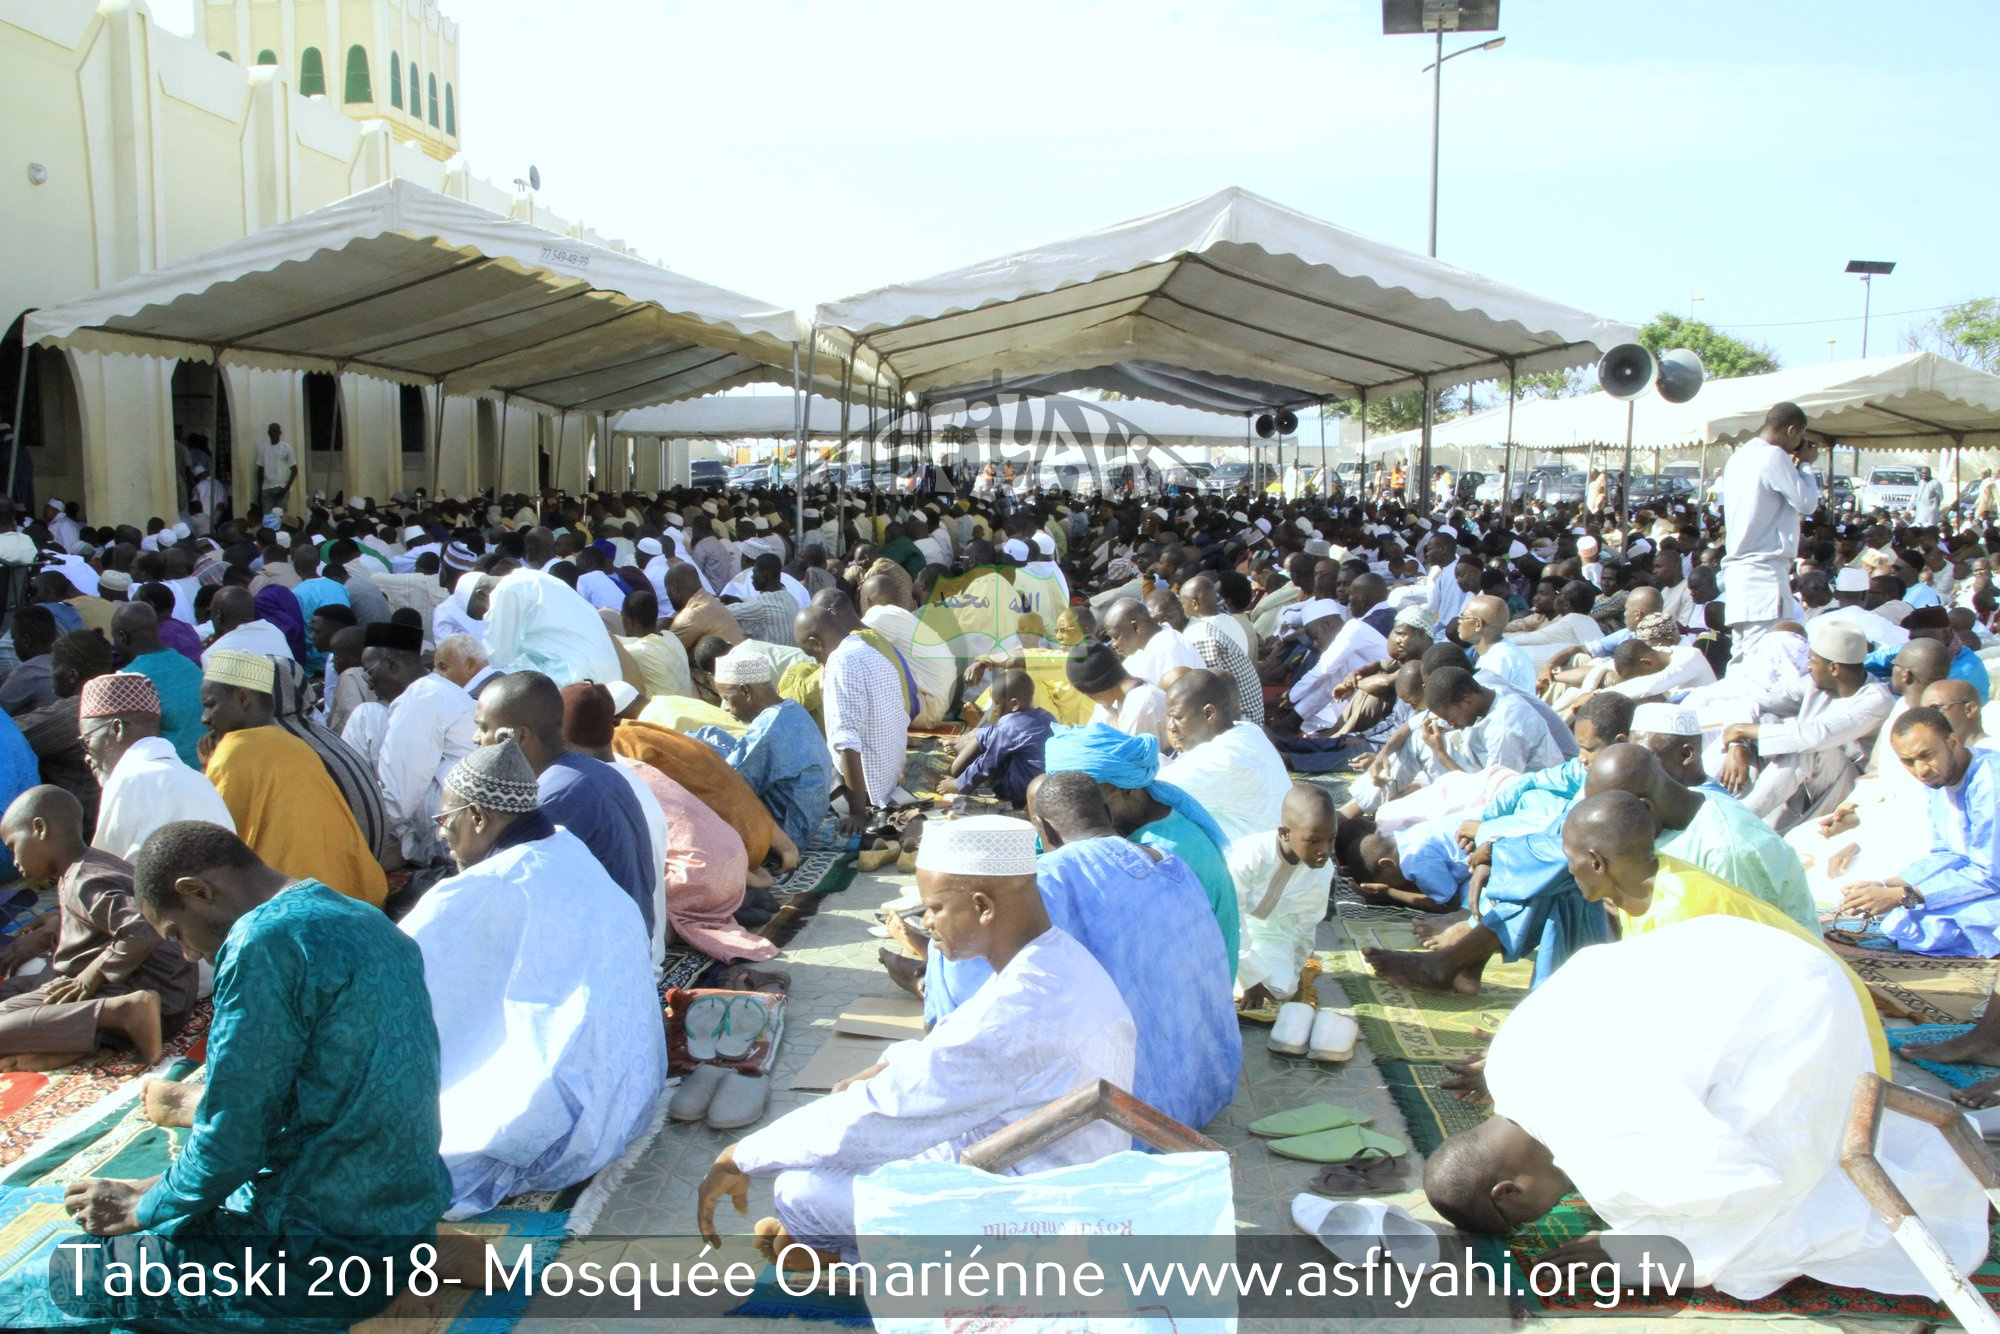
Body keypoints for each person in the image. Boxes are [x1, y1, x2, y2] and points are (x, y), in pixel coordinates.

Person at [1422, 917, 1982, 1301]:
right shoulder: (1507, 1060)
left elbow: (1745, 1190)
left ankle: (1960, 1178)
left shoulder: (1599, 1145)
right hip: (1752, 948)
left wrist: (1637, 1254)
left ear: (1508, 1191)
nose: (1561, 1207)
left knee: (1782, 1213)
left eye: (1532, 1215)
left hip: (1797, 1005)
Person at [697, 815, 1137, 1263]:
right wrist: (894, 1060)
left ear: (983, 906)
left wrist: (742, 1155)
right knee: (855, 1137)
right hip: (1043, 1160)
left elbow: (888, 1112)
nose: (925, 921)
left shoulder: (1014, 1012)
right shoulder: (1059, 957)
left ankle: (846, 1259)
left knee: (801, 1186)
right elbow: (963, 1058)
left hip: (1038, 1211)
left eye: (934, 907)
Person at [64, 822, 450, 1330]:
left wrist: (143, 1205)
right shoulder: (361, 915)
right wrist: (161, 1188)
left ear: (196, 892)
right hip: (406, 1223)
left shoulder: (261, 942)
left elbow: (233, 1143)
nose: (185, 954)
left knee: (71, 1271)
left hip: (318, 1262)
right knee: (187, 1197)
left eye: (176, 933)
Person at [404, 740, 666, 1217]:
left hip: (566, 1126)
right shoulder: (565, 845)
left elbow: (395, 975)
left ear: (478, 818)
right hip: (629, 1092)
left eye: (446, 821)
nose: (443, 834)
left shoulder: (490, 884)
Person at [922, 774, 1239, 1129]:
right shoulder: (1171, 863)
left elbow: (962, 1030)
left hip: (1128, 1124)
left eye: (933, 908)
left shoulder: (1047, 883)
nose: (927, 920)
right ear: (1107, 812)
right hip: (1207, 1090)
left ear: (1044, 829)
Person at [1561, 789, 1887, 1069]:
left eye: (1570, 858)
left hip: (1832, 1046)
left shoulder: (1681, 911)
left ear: (1596, 863)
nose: (1568, 868)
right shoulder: (1646, 882)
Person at [0, 786, 197, 1070]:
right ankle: (54, 1044)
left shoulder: (86, 880)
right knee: (12, 999)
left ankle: (122, 1013)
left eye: (13, 846)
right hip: (150, 988)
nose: (14, 860)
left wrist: (90, 977)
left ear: (40, 829)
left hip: (156, 999)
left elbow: (143, 927)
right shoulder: (84, 867)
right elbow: (88, 937)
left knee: (6, 1021)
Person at [1044, 722, 1240, 971]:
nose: (1072, 811)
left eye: (1086, 799)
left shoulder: (1164, 852)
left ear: (1128, 790)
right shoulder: (1146, 814)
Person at [474, 670, 655, 938]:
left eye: (483, 727)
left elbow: (494, 895)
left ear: (518, 737)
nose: (475, 738)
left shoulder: (552, 797)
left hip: (602, 963)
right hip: (632, 947)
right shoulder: (596, 773)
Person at [199, 650, 387, 905]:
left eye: (210, 705)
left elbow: (213, 846)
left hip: (288, 908)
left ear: (244, 698)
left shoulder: (235, 750)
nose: (204, 718)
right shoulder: (296, 744)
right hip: (350, 898)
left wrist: (206, 769)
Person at [1843, 706, 2000, 957]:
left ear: (1952, 742)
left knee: (1941, 926)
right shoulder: (1940, 779)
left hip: (1991, 880)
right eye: (1908, 761)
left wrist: (1903, 895)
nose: (1920, 770)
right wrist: (1886, 885)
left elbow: (1989, 874)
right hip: (1984, 880)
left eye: (1926, 755)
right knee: (1904, 919)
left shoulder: (1990, 782)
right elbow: (1948, 853)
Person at [1721, 619, 1894, 830]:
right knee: (1766, 722)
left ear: (1834, 668)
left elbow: (1819, 735)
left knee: (1806, 746)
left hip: (1847, 784)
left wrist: (1741, 730)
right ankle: (1712, 798)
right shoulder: (1815, 683)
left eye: (1812, 660)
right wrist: (1737, 745)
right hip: (1804, 775)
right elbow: (1755, 704)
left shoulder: (1876, 699)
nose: (1808, 666)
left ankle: (1735, 820)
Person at [358, 621, 476, 868]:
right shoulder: (434, 690)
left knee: (366, 715)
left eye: (368, 672)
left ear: (392, 665)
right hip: (459, 816)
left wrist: (356, 827)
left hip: (459, 825)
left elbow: (399, 801)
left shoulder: (423, 695)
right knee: (369, 714)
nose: (368, 683)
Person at [81, 673, 233, 861]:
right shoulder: (197, 779)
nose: (86, 757)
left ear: (117, 729)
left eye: (87, 741)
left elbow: (107, 870)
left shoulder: (129, 780)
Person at [797, 598, 913, 836]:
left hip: (865, 794)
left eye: (811, 654)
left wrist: (857, 812)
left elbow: (847, 743)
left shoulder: (841, 662)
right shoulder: (870, 652)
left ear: (814, 642)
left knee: (799, 756)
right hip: (889, 782)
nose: (816, 661)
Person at [704, 645, 831, 852]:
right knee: (709, 736)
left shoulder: (770, 726)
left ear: (745, 691)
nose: (726, 708)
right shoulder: (791, 707)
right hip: (806, 820)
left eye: (727, 699)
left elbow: (731, 782)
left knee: (701, 764)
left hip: (789, 831)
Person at [1719, 403, 1820, 660]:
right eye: (1799, 436)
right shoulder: (1773, 456)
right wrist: (1806, 465)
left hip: (1743, 574)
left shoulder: (1740, 456)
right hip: (1763, 574)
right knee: (1759, 661)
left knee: (1742, 657)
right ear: (1792, 430)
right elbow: (1807, 503)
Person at [1225, 784, 1339, 1007]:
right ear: (1285, 834)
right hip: (1224, 932)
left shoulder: (1323, 870)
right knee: (1226, 980)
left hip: (1272, 935)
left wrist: (1294, 972)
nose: (1324, 850)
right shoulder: (1247, 856)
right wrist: (1251, 980)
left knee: (1280, 988)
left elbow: (1304, 926)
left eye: (1331, 839)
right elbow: (1229, 920)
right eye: (1314, 841)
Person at [1158, 668, 1290, 843]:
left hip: (1261, 865)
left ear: (1209, 714)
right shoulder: (1247, 730)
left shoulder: (1221, 758)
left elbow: (1151, 789)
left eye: (1178, 717)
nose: (1171, 727)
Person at [940, 667, 1054, 809]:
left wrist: (958, 785)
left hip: (1020, 793)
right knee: (988, 732)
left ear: (1014, 704)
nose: (994, 708)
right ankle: (957, 761)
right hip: (1045, 787)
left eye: (996, 703)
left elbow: (986, 764)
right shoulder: (1045, 716)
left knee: (986, 735)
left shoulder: (1009, 726)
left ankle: (950, 775)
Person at [109, 601, 205, 768]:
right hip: (208, 770)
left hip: (172, 777)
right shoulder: (188, 665)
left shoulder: (127, 679)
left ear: (122, 637)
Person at [1066, 639, 1170, 751]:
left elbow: (1135, 760)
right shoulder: (1124, 698)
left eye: (1087, 693)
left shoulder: (1141, 703)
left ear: (1098, 688)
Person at [1103, 596, 1204, 686]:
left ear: (1135, 627)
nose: (1114, 645)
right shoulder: (1145, 648)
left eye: (1116, 637)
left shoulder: (1168, 648)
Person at [1458, 594, 1534, 694]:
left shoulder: (1496, 661)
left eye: (1463, 616)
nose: (1459, 621)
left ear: (1478, 624)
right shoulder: (1500, 652)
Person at [0, 604, 58, 716]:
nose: (13, 643)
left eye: (14, 638)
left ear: (26, 641)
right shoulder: (62, 663)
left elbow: (1, 712)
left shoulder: (28, 672)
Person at [255, 420, 296, 514]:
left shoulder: (287, 447)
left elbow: (294, 470)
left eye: (275, 432)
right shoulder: (263, 448)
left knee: (280, 517)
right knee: (268, 518)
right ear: (268, 433)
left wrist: (286, 489)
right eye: (271, 432)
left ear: (280, 433)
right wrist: (259, 491)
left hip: (281, 488)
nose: (273, 434)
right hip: (266, 488)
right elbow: (260, 470)